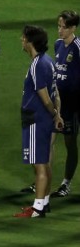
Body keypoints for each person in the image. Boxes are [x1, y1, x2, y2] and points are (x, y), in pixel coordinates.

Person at [13, 25, 63, 218]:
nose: (21, 40)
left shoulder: (37, 65)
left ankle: (37, 208)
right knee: (44, 162)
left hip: (36, 119)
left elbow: (45, 96)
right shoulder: (48, 61)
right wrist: (57, 113)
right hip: (42, 119)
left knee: (39, 165)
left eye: (23, 37)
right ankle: (44, 202)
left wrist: (55, 114)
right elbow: (56, 92)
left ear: (30, 42)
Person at [49, 11, 80, 197]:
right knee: (50, 141)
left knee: (70, 143)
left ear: (73, 28)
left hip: (74, 105)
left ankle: (66, 183)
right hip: (58, 103)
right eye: (58, 26)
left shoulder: (78, 48)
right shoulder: (58, 45)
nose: (60, 30)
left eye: (64, 27)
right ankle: (43, 180)